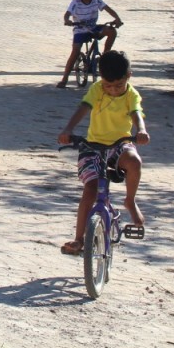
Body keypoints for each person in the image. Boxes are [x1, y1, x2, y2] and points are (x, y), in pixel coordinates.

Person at [56, 50, 149, 256]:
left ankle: (130, 200)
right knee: (90, 191)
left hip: (120, 144)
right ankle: (79, 239)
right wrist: (68, 129)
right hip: (93, 146)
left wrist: (141, 130)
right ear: (101, 79)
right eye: (108, 85)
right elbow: (83, 108)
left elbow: (136, 114)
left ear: (128, 76)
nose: (113, 90)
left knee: (134, 161)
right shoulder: (97, 90)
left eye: (118, 85)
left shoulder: (131, 94)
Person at [58, 0, 123, 88]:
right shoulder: (76, 2)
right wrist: (67, 20)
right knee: (75, 51)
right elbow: (67, 13)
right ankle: (65, 78)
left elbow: (109, 9)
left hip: (93, 28)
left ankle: (105, 55)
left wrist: (117, 19)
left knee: (112, 31)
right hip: (80, 29)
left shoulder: (96, 0)